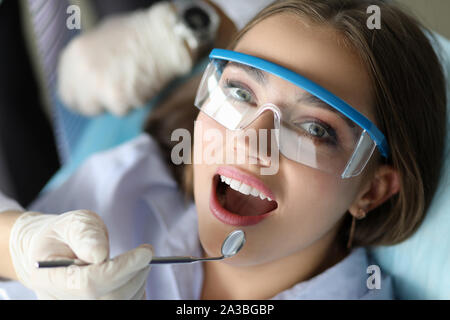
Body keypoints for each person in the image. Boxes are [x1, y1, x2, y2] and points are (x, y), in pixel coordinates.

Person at [0, 0, 447, 299]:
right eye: (239, 93)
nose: (251, 141)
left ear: (371, 191)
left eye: (315, 129)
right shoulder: (132, 183)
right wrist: (20, 245)